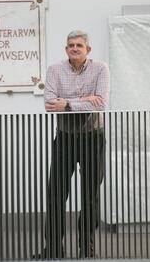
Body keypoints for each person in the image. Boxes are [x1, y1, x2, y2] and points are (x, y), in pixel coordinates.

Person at [39, 30, 110, 258]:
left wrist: (68, 104)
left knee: (91, 196)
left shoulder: (101, 69)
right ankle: (53, 249)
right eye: (71, 45)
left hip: (93, 137)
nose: (75, 48)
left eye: (79, 45)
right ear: (66, 49)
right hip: (65, 137)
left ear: (88, 49)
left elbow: (100, 103)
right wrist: (84, 100)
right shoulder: (54, 70)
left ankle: (86, 249)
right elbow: (50, 102)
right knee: (56, 194)